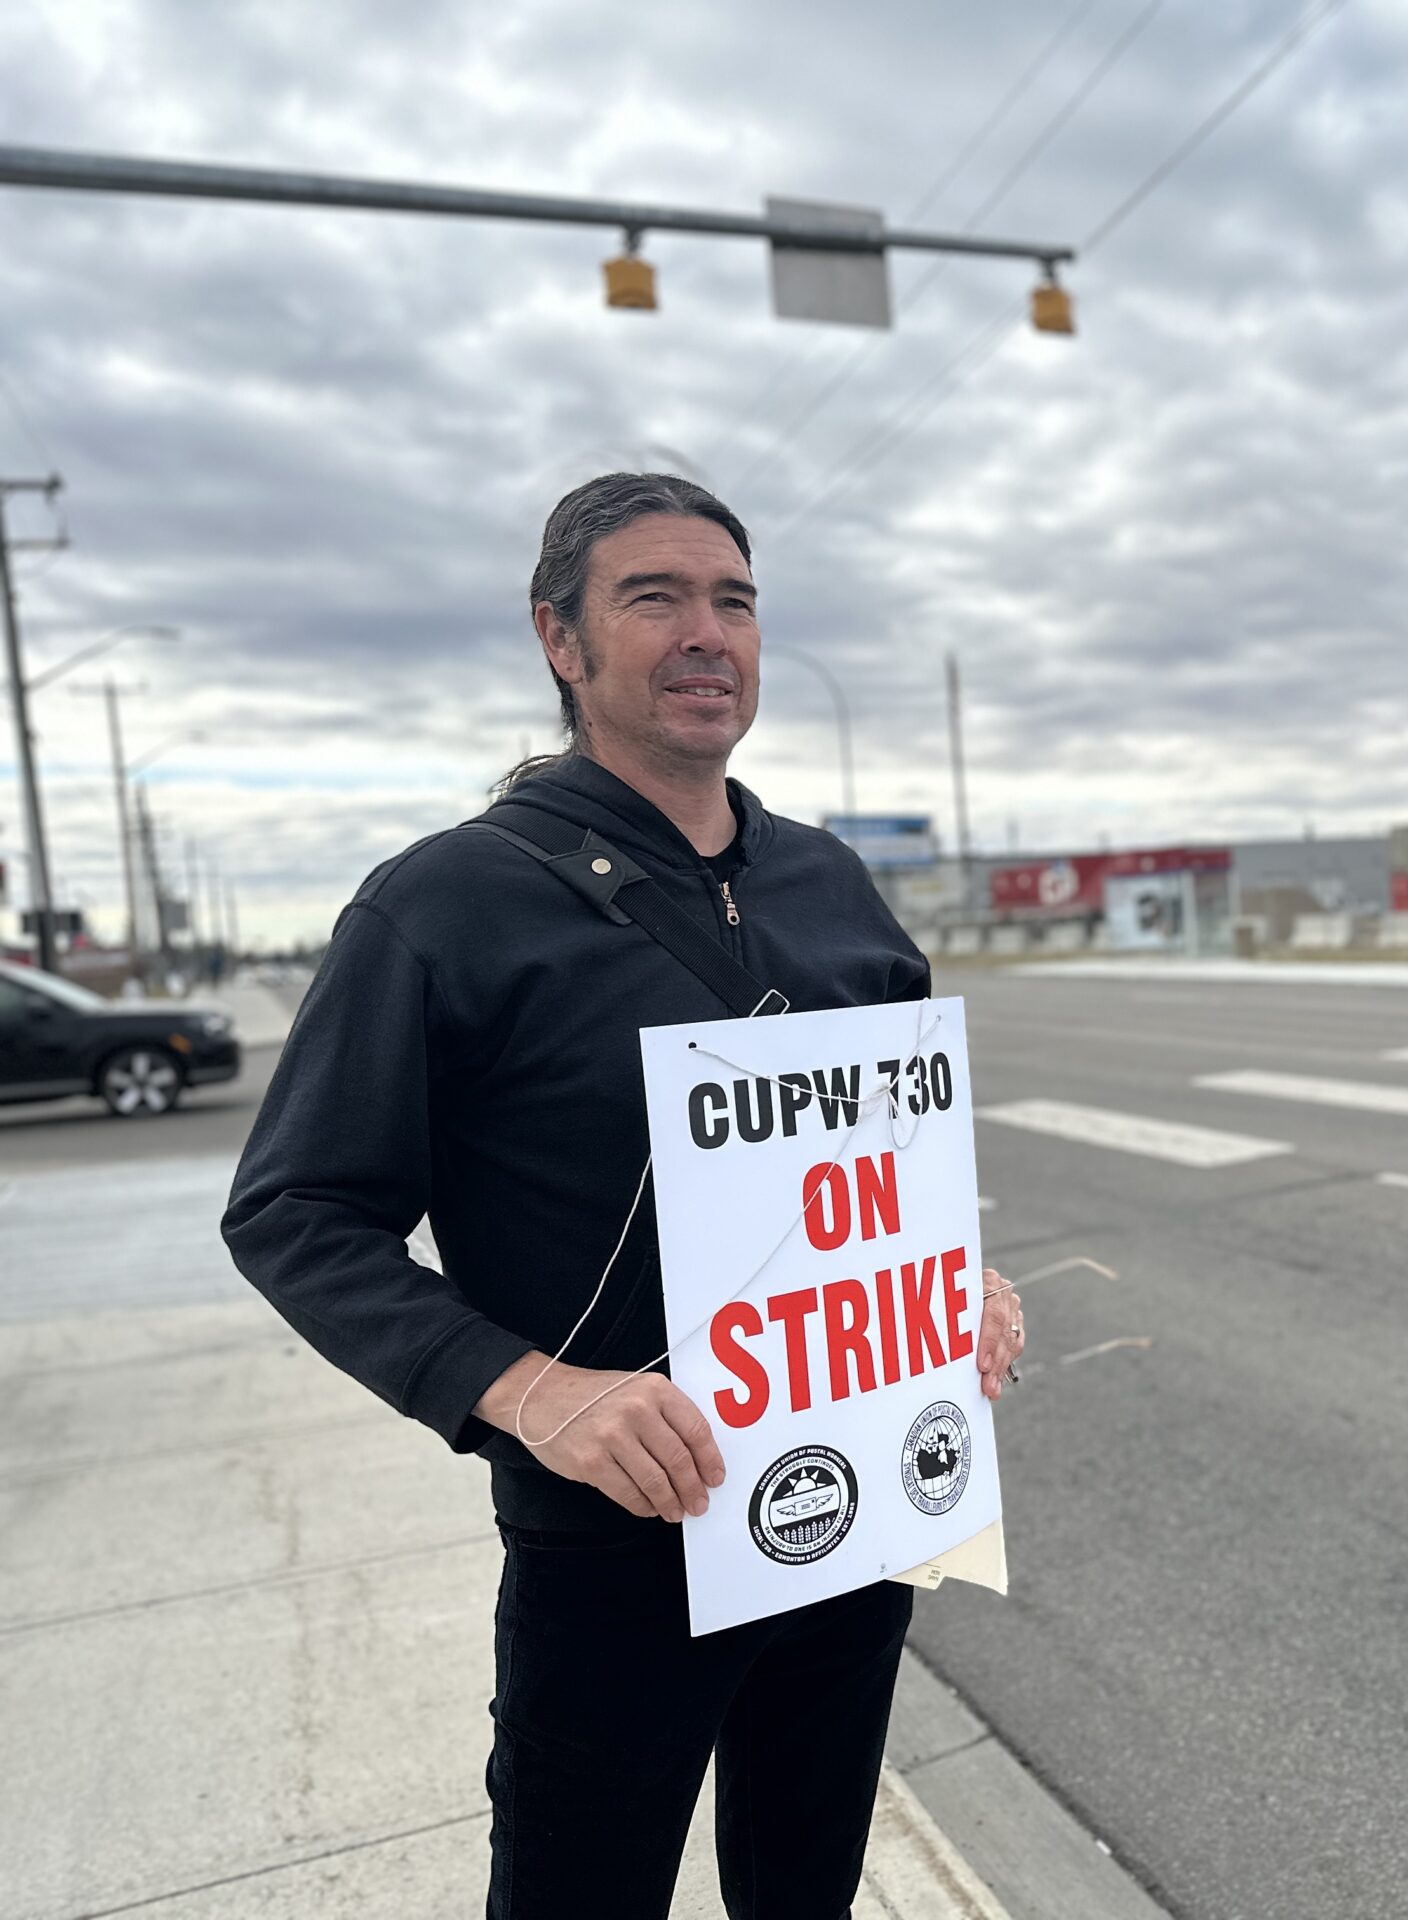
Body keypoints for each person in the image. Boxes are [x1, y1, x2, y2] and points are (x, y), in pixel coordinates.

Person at [224, 472, 1026, 1919]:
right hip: (620, 1539)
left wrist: (954, 1281)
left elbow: (893, 1153)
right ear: (561, 640)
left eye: (734, 600)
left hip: (851, 1516)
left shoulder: (833, 884)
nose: (707, 632)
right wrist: (531, 1390)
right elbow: (294, 1210)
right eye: (654, 597)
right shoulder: (445, 903)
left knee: (809, 1889)